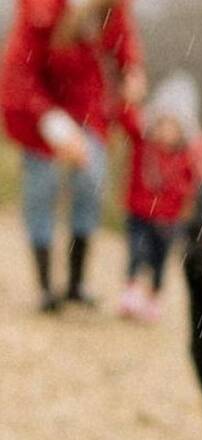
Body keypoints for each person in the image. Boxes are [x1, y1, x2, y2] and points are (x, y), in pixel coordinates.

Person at [1, 0, 145, 312]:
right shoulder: (37, 13)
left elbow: (124, 46)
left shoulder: (113, 10)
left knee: (91, 183)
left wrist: (132, 71)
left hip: (88, 111)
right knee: (41, 189)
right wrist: (52, 123)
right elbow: (18, 75)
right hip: (38, 113)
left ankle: (76, 283)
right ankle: (44, 288)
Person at [116, 71, 202, 322]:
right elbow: (127, 118)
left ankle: (153, 297)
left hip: (169, 220)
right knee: (137, 253)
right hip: (139, 213)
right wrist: (129, 97)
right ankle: (131, 291)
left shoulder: (190, 154)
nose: (166, 131)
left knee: (159, 260)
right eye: (161, 123)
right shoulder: (143, 143)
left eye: (173, 126)